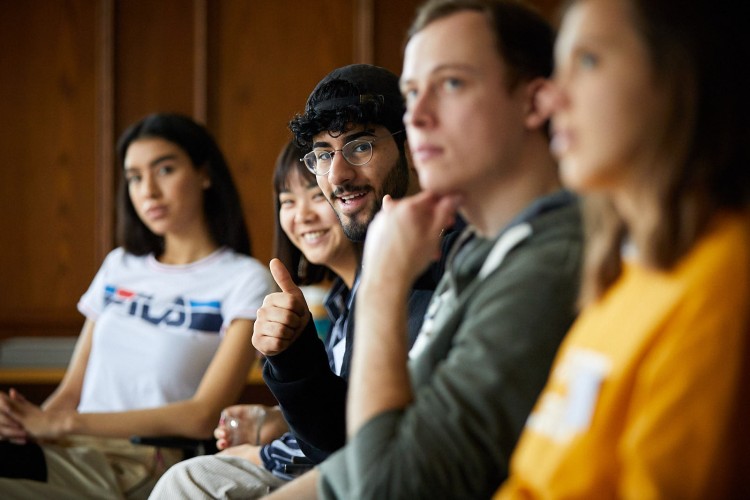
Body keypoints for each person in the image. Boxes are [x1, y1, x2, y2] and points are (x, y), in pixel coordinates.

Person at [267, 1, 584, 498]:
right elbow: (366, 447)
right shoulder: (480, 250)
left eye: (452, 83)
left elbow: (390, 486)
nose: (419, 114)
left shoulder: (549, 260)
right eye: (413, 93)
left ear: (534, 101)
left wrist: (383, 284)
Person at [493, 0, 750, 498]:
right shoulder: (624, 272)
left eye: (588, 61)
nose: (551, 100)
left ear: (678, 76)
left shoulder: (724, 283)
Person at [0, 113, 273, 499]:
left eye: (164, 169)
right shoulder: (119, 265)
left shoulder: (245, 279)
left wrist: (61, 424)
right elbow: (69, 392)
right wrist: (22, 425)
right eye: (134, 177)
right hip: (67, 449)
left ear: (204, 174)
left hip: (143, 459)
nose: (148, 191)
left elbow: (202, 416)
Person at [253, 63, 461, 466]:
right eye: (322, 155)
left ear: (411, 146)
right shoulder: (373, 267)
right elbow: (343, 443)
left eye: (360, 146)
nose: (338, 174)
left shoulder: (470, 252)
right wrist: (295, 355)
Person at [148, 140, 361, 498]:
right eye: (287, 202)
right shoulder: (340, 300)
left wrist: (261, 455)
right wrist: (276, 419)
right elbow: (342, 409)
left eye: (315, 196)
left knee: (188, 481)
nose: (302, 215)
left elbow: (361, 434)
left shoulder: (384, 293)